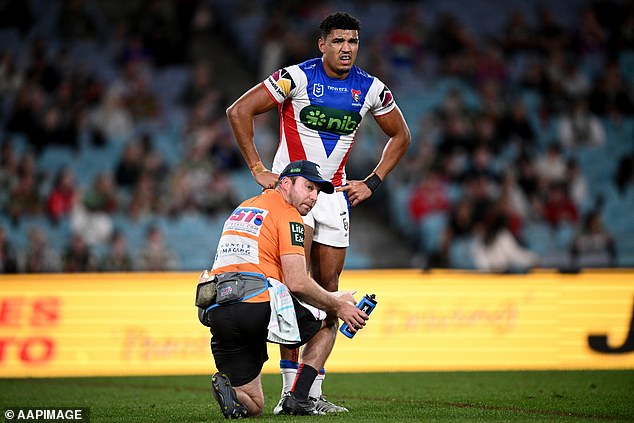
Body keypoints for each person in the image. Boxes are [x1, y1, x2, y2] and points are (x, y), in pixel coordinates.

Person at [225, 11, 411, 413]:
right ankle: (289, 393)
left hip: (335, 198)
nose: (347, 49)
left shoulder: (372, 89)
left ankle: (309, 393)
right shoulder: (296, 78)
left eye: (353, 42)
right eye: (339, 41)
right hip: (293, 195)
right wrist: (258, 168)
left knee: (330, 291)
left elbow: (401, 135)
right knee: (298, 289)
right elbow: (238, 111)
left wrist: (372, 181)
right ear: (322, 44)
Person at [199, 160, 368, 418]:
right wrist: (338, 304)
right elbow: (297, 282)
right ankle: (298, 397)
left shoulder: (242, 208)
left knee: (254, 405)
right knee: (330, 320)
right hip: (255, 303)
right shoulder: (288, 214)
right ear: (285, 183)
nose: (313, 197)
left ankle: (233, 394)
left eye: (317, 192)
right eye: (309, 187)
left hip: (217, 309)